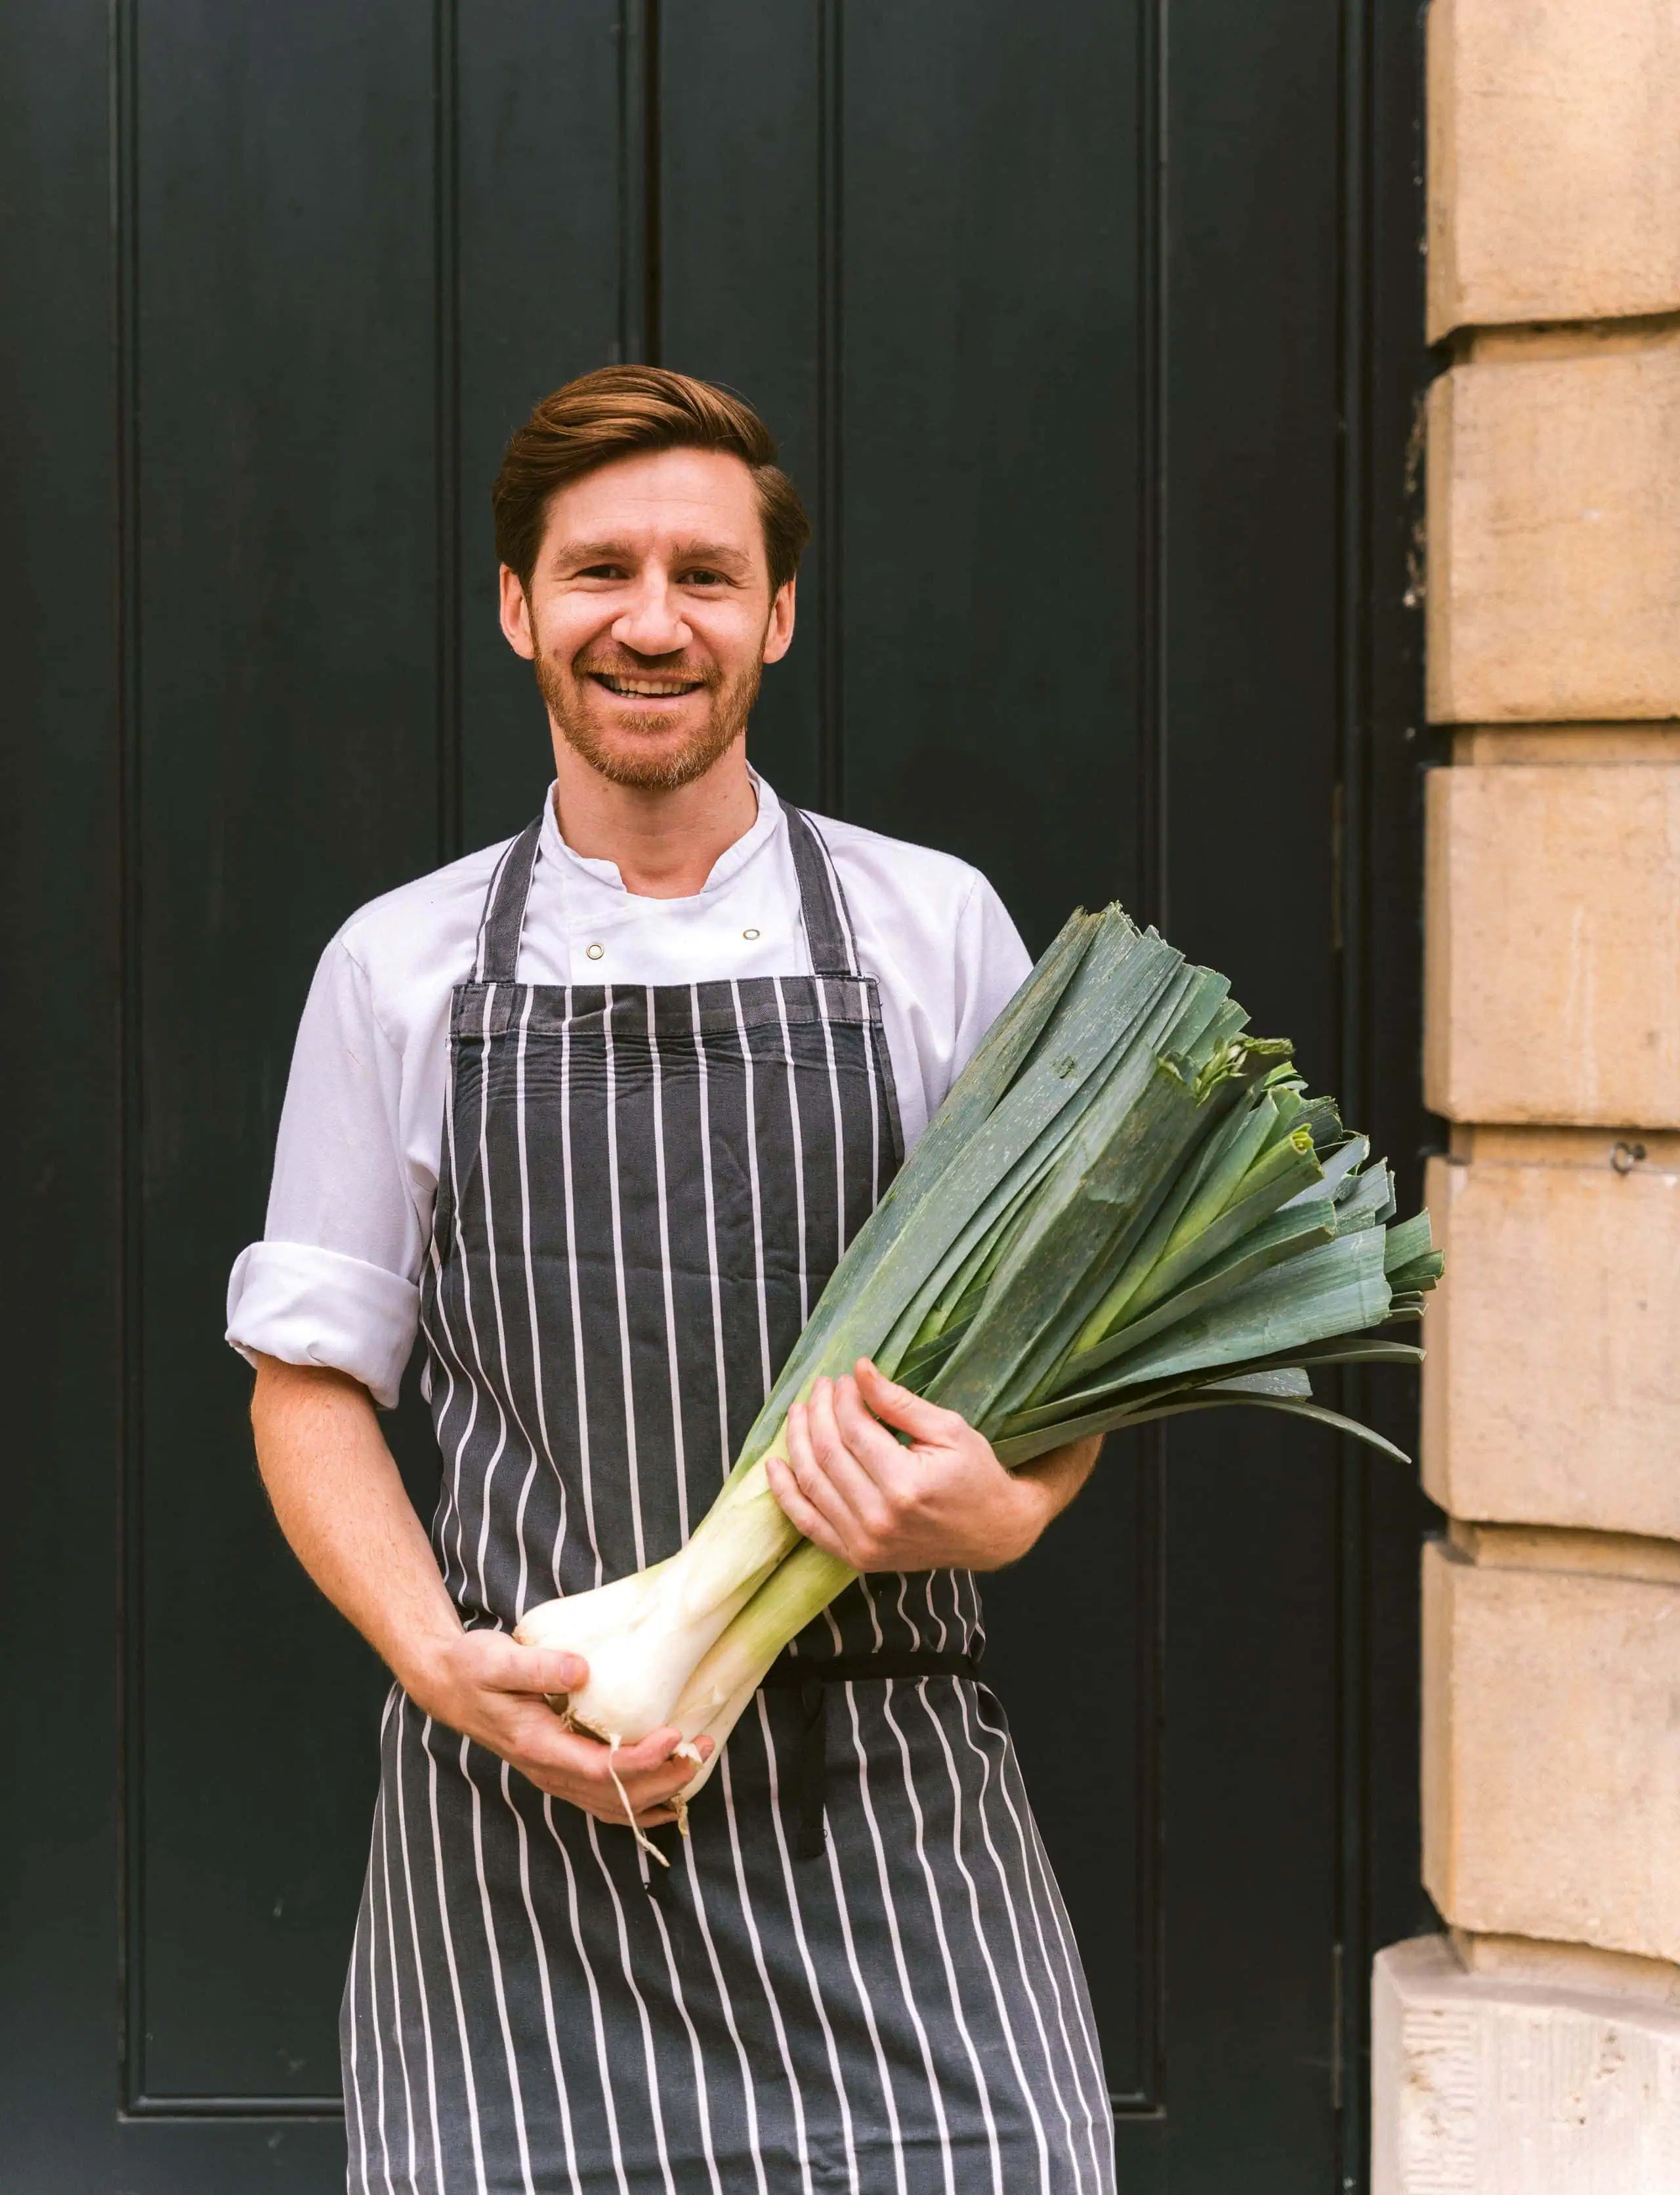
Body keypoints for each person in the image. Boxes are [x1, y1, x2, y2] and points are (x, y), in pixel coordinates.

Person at [229, 365, 1116, 2194]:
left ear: (777, 617)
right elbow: (309, 1385)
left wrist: (1008, 1507)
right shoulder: (393, 973)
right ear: (515, 606)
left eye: (706, 576)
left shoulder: (934, 932)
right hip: (517, 1805)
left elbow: (1067, 1356)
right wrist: (440, 1667)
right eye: (598, 571)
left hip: (887, 1798)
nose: (653, 622)